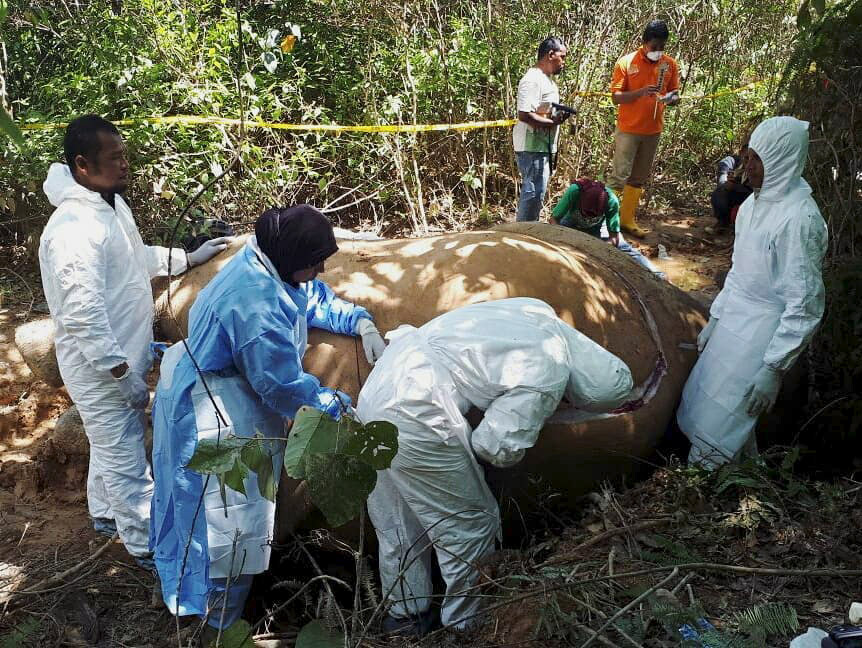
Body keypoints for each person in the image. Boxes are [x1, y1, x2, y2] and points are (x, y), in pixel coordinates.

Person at [149, 205, 386, 632]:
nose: (321, 268)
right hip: (213, 408)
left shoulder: (264, 261)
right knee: (223, 519)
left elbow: (307, 296)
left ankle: (187, 595)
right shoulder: (254, 302)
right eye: (314, 261)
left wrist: (359, 321)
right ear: (290, 255)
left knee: (193, 507)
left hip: (204, 385)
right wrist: (334, 403)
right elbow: (278, 385)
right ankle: (213, 622)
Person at [357, 298, 633, 634]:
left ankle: (404, 617)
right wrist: (535, 417)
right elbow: (494, 448)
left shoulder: (534, 312)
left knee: (398, 520)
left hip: (380, 387)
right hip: (417, 410)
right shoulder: (550, 372)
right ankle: (464, 627)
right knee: (469, 525)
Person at [38, 115, 230, 569]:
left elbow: (133, 257)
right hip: (99, 368)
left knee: (111, 443)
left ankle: (105, 514)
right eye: (114, 158)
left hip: (123, 354)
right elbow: (82, 314)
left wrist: (186, 258)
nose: (124, 164)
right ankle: (146, 546)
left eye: (124, 155)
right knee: (124, 455)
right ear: (82, 164)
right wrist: (119, 371)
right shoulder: (71, 229)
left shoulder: (109, 206)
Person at [676, 117, 828, 469]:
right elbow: (739, 271)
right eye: (749, 158)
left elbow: (804, 302)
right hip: (734, 319)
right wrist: (716, 318)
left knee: (727, 416)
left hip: (763, 329)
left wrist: (774, 367)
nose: (749, 168)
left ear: (782, 161)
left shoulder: (800, 219)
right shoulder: (751, 206)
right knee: (703, 402)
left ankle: (712, 482)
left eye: (759, 160)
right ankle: (740, 472)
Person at [609, 20, 681, 237]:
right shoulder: (626, 62)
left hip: (653, 131)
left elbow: (675, 94)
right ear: (644, 42)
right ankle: (607, 222)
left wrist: (670, 99)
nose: (658, 51)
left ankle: (627, 220)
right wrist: (640, 93)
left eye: (662, 47)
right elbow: (616, 97)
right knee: (618, 176)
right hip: (628, 130)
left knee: (638, 177)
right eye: (654, 46)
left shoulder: (669, 64)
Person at [551, 178, 667, 280]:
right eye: (586, 214)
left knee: (625, 248)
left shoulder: (612, 201)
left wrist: (597, 247)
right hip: (571, 223)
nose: (588, 219)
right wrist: (562, 238)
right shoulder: (574, 191)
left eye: (593, 216)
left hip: (598, 227)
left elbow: (614, 239)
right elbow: (554, 219)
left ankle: (658, 275)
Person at [513, 36, 570, 222]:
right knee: (532, 195)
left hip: (541, 146)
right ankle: (524, 234)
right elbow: (524, 114)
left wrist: (557, 117)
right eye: (562, 57)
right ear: (551, 54)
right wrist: (552, 123)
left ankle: (528, 231)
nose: (564, 62)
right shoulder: (532, 80)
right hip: (532, 147)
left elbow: (542, 111)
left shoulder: (547, 81)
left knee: (536, 195)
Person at [707, 145, 752, 235]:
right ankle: (723, 223)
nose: (749, 162)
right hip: (738, 196)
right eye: (746, 158)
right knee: (720, 193)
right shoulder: (733, 163)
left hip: (751, 199)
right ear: (741, 154)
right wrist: (726, 184)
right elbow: (723, 173)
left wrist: (736, 187)